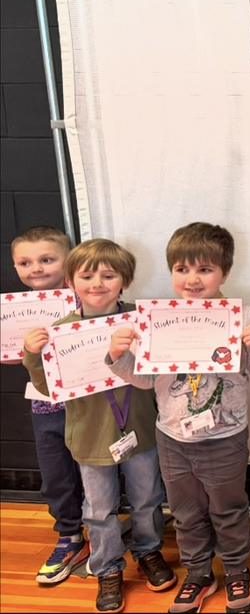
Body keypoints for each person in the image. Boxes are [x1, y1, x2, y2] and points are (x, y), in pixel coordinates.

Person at [106, 223, 250, 614]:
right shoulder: (155, 319)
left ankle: (236, 571)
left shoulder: (242, 316)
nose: (193, 279)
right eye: (182, 269)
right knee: (185, 513)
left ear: (225, 272)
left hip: (225, 436)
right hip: (172, 437)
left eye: (205, 269)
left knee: (228, 510)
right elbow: (144, 379)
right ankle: (199, 573)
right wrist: (118, 354)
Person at [23, 239, 174, 613]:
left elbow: (161, 372)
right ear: (70, 282)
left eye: (108, 275)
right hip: (89, 438)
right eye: (87, 275)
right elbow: (49, 389)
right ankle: (107, 567)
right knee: (98, 508)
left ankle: (148, 550)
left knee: (147, 499)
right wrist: (32, 354)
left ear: (125, 281)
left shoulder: (141, 320)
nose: (97, 283)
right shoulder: (59, 331)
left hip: (140, 431)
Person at [9, 227, 89, 586]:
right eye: (25, 263)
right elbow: (12, 357)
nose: (36, 268)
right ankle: (70, 535)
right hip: (45, 404)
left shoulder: (89, 296)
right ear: (15, 267)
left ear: (68, 260)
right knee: (57, 472)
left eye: (46, 259)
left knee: (95, 470)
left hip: (89, 403)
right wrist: (24, 346)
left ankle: (102, 532)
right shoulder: (15, 310)